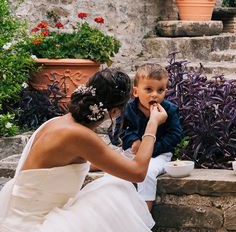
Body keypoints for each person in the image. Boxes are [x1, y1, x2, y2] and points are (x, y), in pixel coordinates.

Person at [0, 68, 167, 232]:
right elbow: (137, 173)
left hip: (17, 215)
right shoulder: (79, 135)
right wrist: (152, 124)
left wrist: (114, 162)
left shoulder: (59, 122)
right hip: (34, 225)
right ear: (114, 112)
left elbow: (64, 168)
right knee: (117, 188)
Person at [116, 63, 182, 210]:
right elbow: (117, 131)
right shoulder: (128, 109)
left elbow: (175, 135)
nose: (154, 95)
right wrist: (133, 139)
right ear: (136, 92)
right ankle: (120, 210)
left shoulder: (169, 110)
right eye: (148, 89)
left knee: (148, 172)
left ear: (166, 91)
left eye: (160, 90)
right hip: (132, 151)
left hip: (159, 154)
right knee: (115, 169)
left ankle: (144, 214)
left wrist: (152, 149)